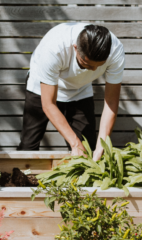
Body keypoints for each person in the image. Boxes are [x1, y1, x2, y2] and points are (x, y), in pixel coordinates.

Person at [17, 23, 125, 161]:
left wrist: (101, 146)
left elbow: (111, 102)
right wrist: (75, 143)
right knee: (28, 146)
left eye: (98, 66)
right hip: (41, 87)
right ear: (75, 48)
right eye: (86, 64)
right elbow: (48, 104)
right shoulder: (54, 48)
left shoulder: (115, 50)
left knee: (86, 149)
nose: (93, 70)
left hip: (80, 89)